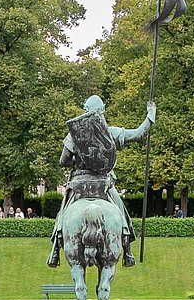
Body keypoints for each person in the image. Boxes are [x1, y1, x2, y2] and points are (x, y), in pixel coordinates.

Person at [46, 95, 155, 269]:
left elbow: (63, 161)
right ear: (102, 110)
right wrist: (151, 115)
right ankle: (127, 248)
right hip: (103, 185)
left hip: (79, 185)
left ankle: (55, 249)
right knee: (120, 209)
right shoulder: (110, 132)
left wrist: (78, 160)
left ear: (86, 112)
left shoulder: (74, 135)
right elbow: (139, 134)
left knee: (64, 211)